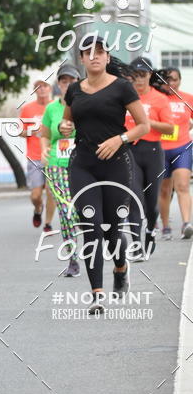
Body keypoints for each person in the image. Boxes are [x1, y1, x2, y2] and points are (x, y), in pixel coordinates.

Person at [63, 35, 149, 315]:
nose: (94, 56)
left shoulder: (122, 88)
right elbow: (68, 120)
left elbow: (143, 126)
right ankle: (96, 294)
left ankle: (120, 268)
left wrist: (119, 140)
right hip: (83, 164)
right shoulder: (74, 90)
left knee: (112, 228)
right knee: (91, 225)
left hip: (116, 164)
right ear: (82, 59)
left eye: (100, 51)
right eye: (88, 52)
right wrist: (65, 127)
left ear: (108, 58)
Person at [125, 56, 175, 259]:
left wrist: (147, 122)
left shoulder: (159, 98)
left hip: (153, 151)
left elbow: (170, 127)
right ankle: (136, 244)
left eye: (143, 75)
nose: (139, 80)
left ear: (150, 75)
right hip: (130, 151)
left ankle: (150, 230)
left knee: (151, 203)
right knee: (134, 197)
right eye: (135, 75)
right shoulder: (125, 97)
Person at [40, 63, 81, 277]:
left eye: (71, 81)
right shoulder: (51, 108)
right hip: (57, 163)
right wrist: (45, 149)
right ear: (59, 84)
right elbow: (44, 134)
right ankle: (73, 259)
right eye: (64, 81)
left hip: (82, 163)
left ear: (78, 82)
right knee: (66, 212)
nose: (67, 85)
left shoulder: (86, 103)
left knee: (81, 210)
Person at [157, 67, 193, 239]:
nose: (171, 83)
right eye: (167, 80)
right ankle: (165, 227)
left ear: (179, 80)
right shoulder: (158, 99)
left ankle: (186, 223)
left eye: (174, 79)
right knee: (164, 190)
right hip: (161, 149)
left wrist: (186, 128)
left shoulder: (187, 98)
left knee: (183, 186)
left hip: (183, 146)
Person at [19, 79, 57, 231]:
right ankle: (38, 209)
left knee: (50, 191)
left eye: (44, 86)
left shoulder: (57, 106)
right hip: (34, 156)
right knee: (35, 195)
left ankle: (47, 223)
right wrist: (31, 131)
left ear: (50, 89)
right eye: (37, 87)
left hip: (53, 156)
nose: (41, 90)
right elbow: (19, 131)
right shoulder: (27, 109)